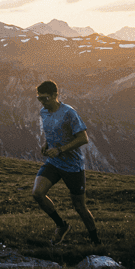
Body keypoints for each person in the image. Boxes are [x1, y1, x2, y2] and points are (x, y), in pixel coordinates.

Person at [32, 80, 100, 245]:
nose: (42, 102)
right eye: (39, 99)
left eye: (45, 98)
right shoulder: (44, 112)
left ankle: (96, 241)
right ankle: (61, 226)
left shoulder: (69, 113)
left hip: (73, 166)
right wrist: (46, 144)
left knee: (80, 207)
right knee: (37, 193)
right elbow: (51, 132)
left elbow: (83, 138)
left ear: (56, 95)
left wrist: (61, 149)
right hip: (54, 162)